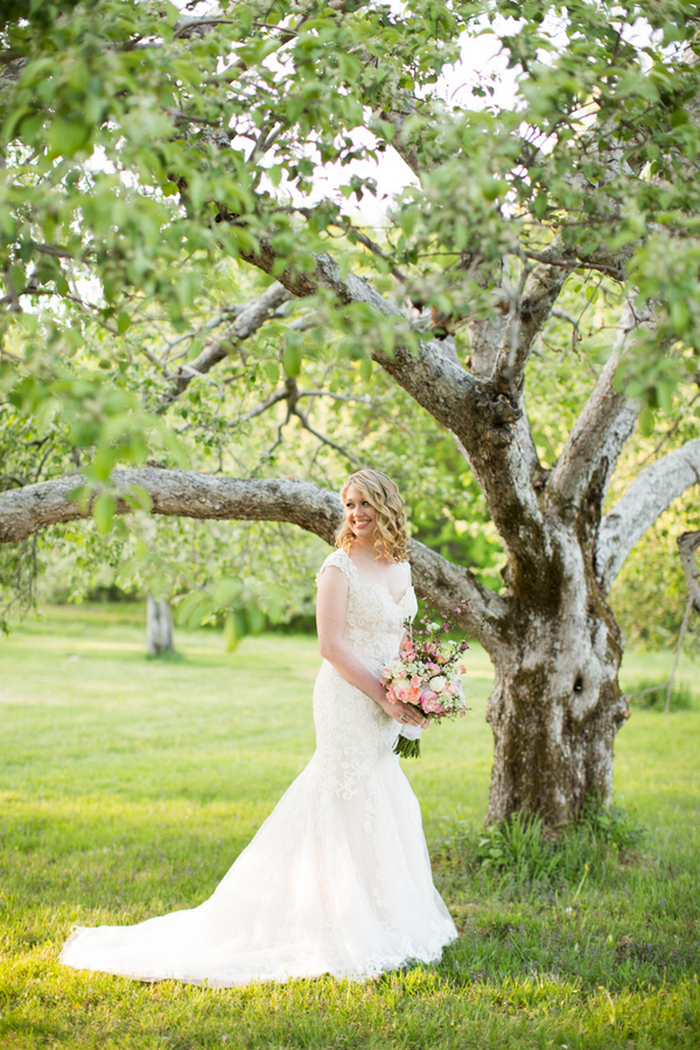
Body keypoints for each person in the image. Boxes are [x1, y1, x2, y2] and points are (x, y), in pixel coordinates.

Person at [60, 469, 457, 985]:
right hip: (348, 698)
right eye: (350, 504)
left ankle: (386, 917)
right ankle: (330, 923)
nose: (357, 513)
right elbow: (331, 646)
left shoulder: (400, 566)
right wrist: (385, 696)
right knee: (344, 791)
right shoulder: (337, 568)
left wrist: (418, 689)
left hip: (388, 699)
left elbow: (402, 638)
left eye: (366, 503)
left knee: (381, 792)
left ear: (387, 506)